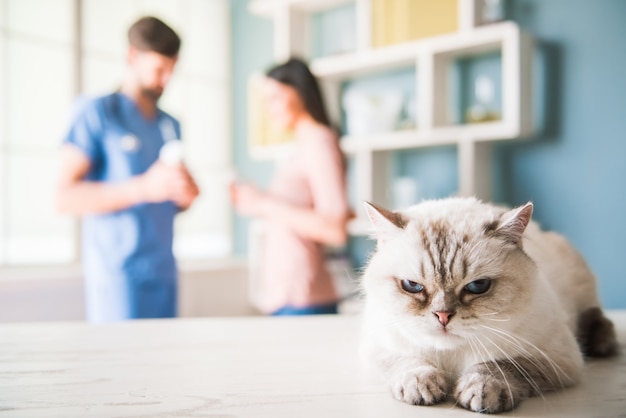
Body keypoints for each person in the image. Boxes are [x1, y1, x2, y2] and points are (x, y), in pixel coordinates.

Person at [56, 16, 199, 322]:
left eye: (172, 71)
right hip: (119, 276)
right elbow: (64, 197)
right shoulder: (97, 113)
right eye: (159, 70)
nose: (165, 81)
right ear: (132, 56)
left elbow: (168, 204)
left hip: (164, 270)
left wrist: (185, 194)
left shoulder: (170, 124)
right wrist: (143, 188)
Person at [231, 57, 351, 316]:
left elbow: (334, 228)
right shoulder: (305, 145)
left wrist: (263, 202)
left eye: (275, 97)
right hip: (289, 296)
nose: (269, 108)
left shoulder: (319, 142)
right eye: (266, 100)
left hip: (305, 298)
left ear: (299, 92)